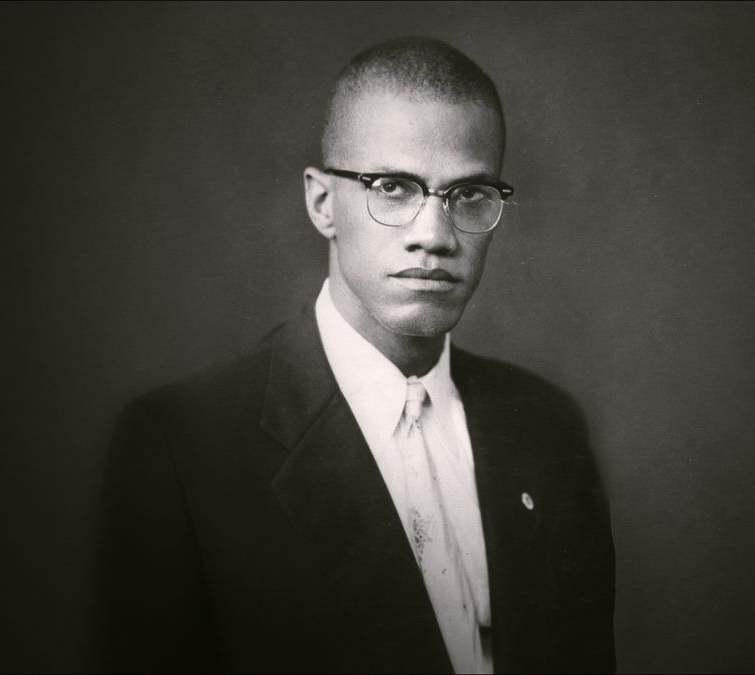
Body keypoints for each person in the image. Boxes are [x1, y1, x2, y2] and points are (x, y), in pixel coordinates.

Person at [97, 37, 615, 674]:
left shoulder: (547, 426)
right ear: (323, 203)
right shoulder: (181, 445)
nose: (433, 235)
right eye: (393, 188)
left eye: (469, 194)